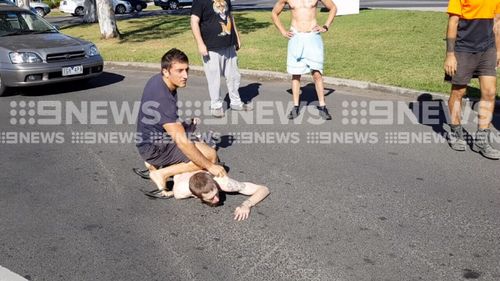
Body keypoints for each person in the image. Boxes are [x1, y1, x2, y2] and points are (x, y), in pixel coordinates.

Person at [136, 48, 226, 197]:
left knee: (195, 140)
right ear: (166, 71)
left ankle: (154, 164)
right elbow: (182, 142)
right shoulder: (163, 98)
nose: (185, 75)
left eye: (186, 70)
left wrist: (184, 126)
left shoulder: (157, 80)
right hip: (153, 148)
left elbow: (162, 121)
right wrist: (210, 166)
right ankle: (161, 173)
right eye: (179, 71)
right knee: (210, 156)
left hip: (152, 139)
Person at [444, 0, 500, 160]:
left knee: (490, 93)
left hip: (487, 49)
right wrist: (450, 55)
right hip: (463, 49)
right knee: (458, 92)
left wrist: (498, 50)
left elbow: (497, 21)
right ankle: (456, 131)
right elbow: (453, 22)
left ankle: (481, 141)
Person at [272, 0, 337, 120]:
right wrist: (283, 31)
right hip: (296, 37)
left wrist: (325, 26)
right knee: (296, 74)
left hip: (313, 37)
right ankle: (296, 106)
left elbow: (333, 7)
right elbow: (274, 13)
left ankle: (322, 106)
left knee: (317, 73)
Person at [190, 0, 252, 118]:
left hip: (229, 45)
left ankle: (236, 102)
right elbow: (194, 21)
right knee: (214, 78)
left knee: (234, 76)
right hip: (211, 47)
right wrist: (200, 43)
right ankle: (216, 106)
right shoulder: (199, 1)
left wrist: (237, 37)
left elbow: (230, 17)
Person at [163, 171, 270, 221]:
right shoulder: (180, 191)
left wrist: (247, 204)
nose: (218, 199)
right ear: (196, 196)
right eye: (211, 198)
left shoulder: (224, 183)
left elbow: (264, 189)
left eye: (216, 193)